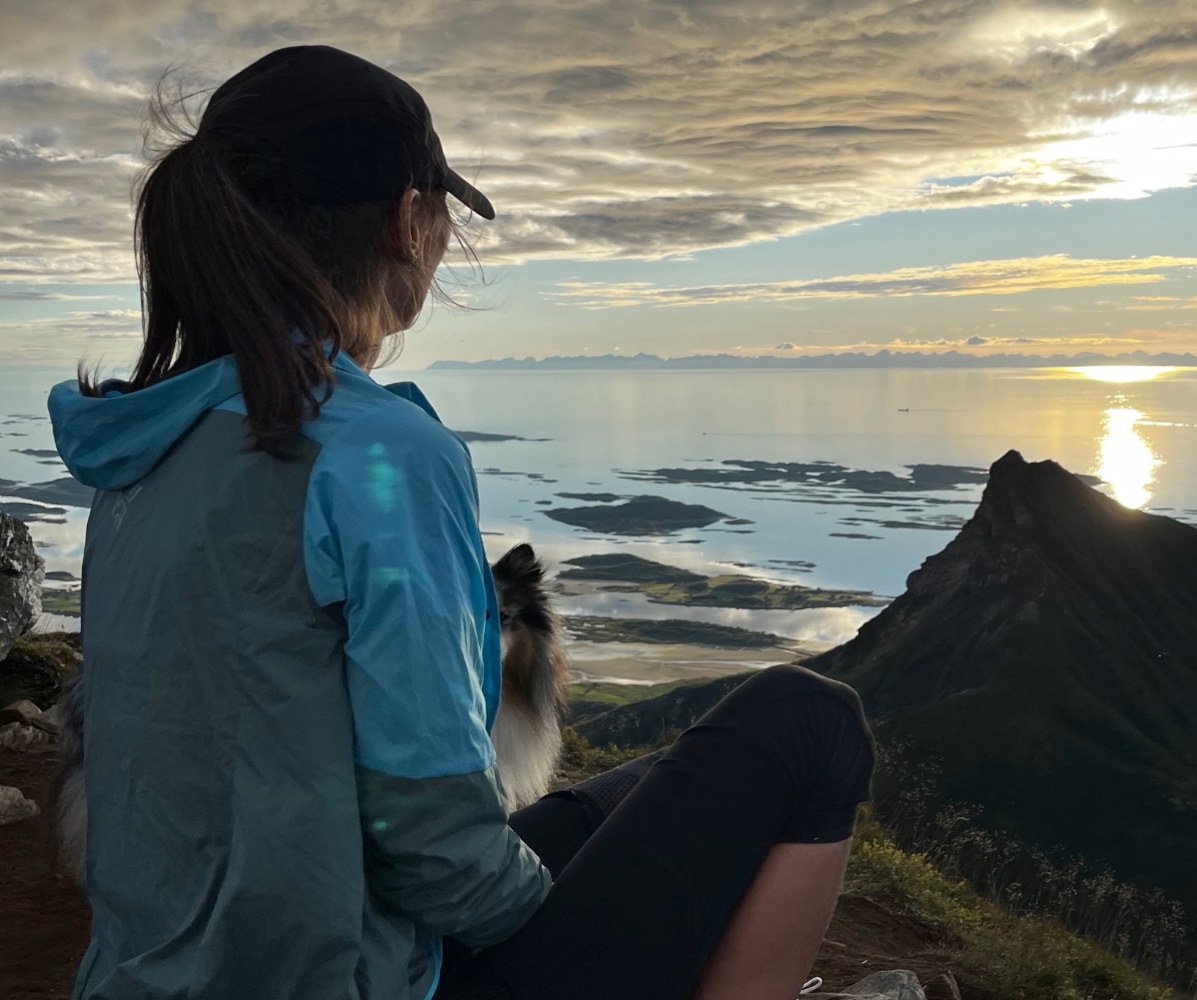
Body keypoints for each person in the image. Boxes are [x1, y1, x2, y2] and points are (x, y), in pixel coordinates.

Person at [48, 45, 874, 1000]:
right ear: (409, 223)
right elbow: (432, 846)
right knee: (811, 722)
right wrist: (596, 922)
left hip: (167, 965)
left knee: (645, 787)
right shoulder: (374, 453)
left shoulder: (139, 447)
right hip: (339, 975)